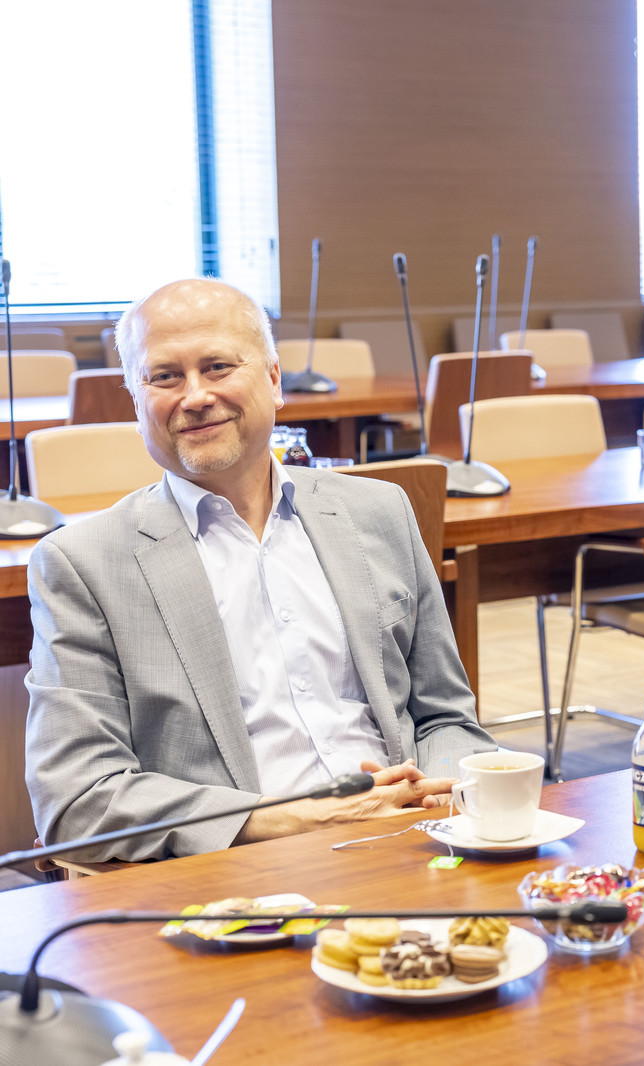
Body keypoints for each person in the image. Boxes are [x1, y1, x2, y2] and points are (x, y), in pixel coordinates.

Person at [25, 279, 496, 861]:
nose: (195, 396)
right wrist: (287, 819)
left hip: (419, 843)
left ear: (274, 379)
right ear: (136, 401)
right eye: (164, 376)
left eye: (218, 367)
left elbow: (446, 718)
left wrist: (445, 792)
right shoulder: (82, 564)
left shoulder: (379, 512)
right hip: (238, 871)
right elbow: (76, 798)